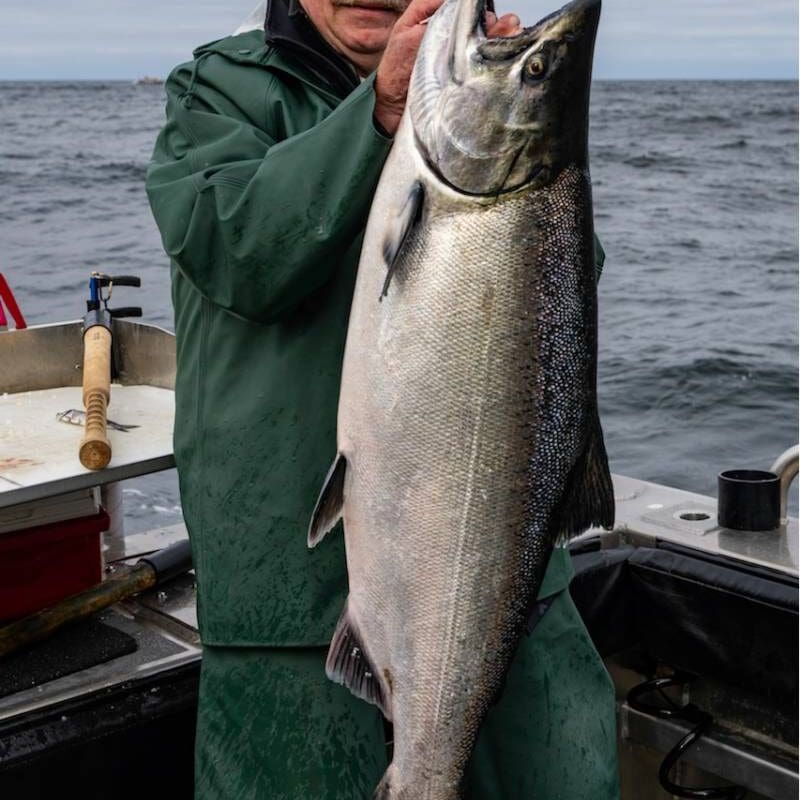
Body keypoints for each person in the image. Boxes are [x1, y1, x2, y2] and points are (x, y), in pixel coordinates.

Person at [145, 0, 620, 797]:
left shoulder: (487, 111)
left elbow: (564, 300)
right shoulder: (218, 92)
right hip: (285, 608)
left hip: (504, 590)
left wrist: (501, 113)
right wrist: (380, 111)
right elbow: (239, 249)